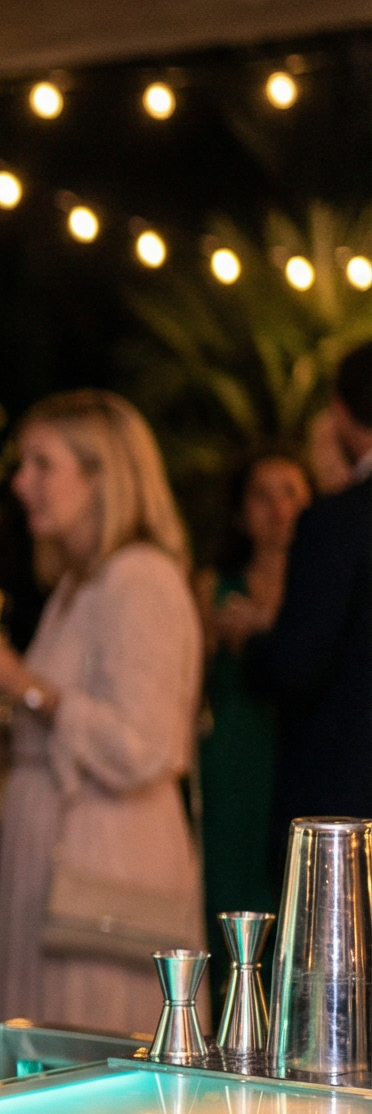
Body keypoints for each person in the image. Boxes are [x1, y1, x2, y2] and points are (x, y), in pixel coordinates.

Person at [0, 391, 202, 1041]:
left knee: (93, 1055)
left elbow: (144, 744)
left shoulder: (142, 579)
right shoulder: (79, 585)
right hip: (53, 848)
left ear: (102, 476)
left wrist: (20, 681)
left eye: (42, 464)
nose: (21, 484)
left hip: (107, 862)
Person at [248, 345, 372, 833]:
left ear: (339, 412)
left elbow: (297, 662)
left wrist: (253, 645)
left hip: (345, 805)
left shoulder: (336, 521)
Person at [195, 455, 313, 920]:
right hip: (232, 763)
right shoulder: (213, 587)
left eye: (290, 492)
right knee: (230, 895)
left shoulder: (325, 590)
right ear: (241, 513)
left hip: (297, 755)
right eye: (262, 495)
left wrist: (262, 634)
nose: (279, 508)